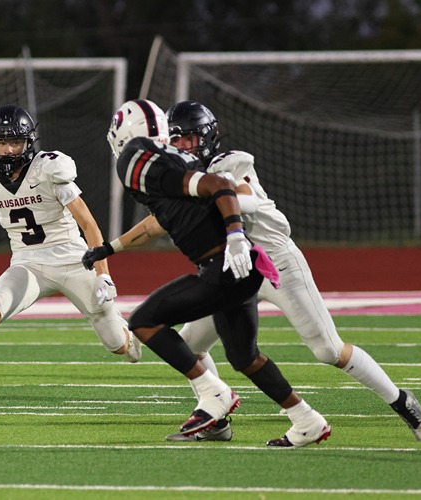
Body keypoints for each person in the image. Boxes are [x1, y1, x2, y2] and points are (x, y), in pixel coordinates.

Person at [160, 100, 421, 442]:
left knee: (328, 350)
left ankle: (405, 404)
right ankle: (217, 417)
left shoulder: (229, 162)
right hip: (232, 271)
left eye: (189, 138)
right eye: (176, 139)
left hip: (275, 262)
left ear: (208, 136)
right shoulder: (183, 179)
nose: (182, 146)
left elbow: (242, 194)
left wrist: (228, 201)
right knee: (188, 346)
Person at [83, 98, 331, 447]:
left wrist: (233, 235)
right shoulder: (174, 161)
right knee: (246, 358)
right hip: (241, 268)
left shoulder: (138, 160)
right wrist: (110, 248)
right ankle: (306, 419)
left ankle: (212, 392)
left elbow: (219, 187)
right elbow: (179, 206)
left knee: (143, 321)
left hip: (223, 267)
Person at [0, 104, 141, 410]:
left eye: (15, 142)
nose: (8, 150)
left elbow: (88, 224)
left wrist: (103, 273)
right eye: (1, 143)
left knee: (116, 344)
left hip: (73, 259)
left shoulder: (49, 168)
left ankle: (130, 336)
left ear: (29, 141)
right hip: (27, 262)